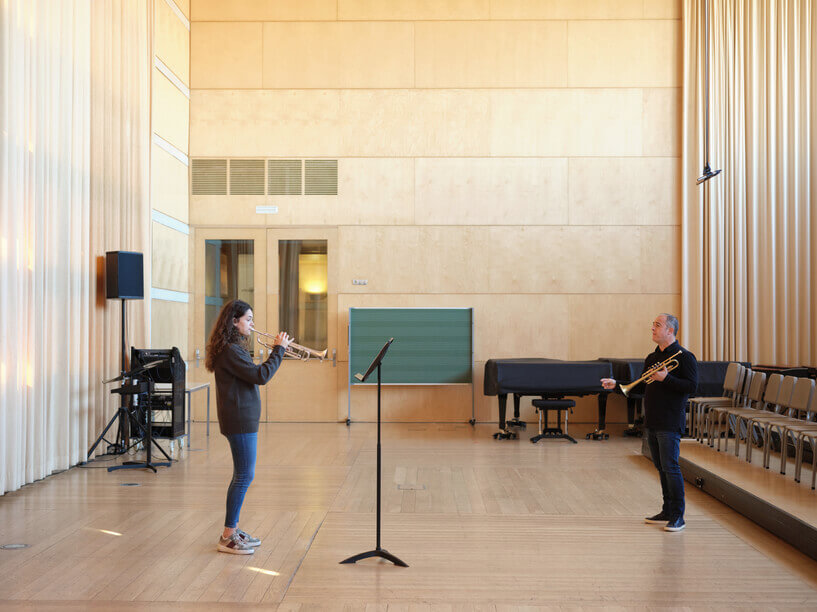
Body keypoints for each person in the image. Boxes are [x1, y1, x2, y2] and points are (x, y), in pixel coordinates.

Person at [205, 299, 292, 554]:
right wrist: (279, 350)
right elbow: (260, 376)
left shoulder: (232, 348)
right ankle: (228, 536)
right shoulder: (231, 350)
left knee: (243, 475)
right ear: (234, 321)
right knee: (243, 476)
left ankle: (233, 529)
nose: (252, 324)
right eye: (248, 319)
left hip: (241, 418)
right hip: (240, 420)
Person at [601, 313, 698, 532]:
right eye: (653, 324)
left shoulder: (685, 357)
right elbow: (641, 387)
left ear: (670, 331)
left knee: (671, 467)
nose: (652, 328)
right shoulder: (652, 358)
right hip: (652, 419)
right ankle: (666, 510)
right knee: (661, 468)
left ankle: (678, 516)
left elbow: (692, 387)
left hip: (670, 420)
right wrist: (616, 385)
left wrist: (668, 379)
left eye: (657, 325)